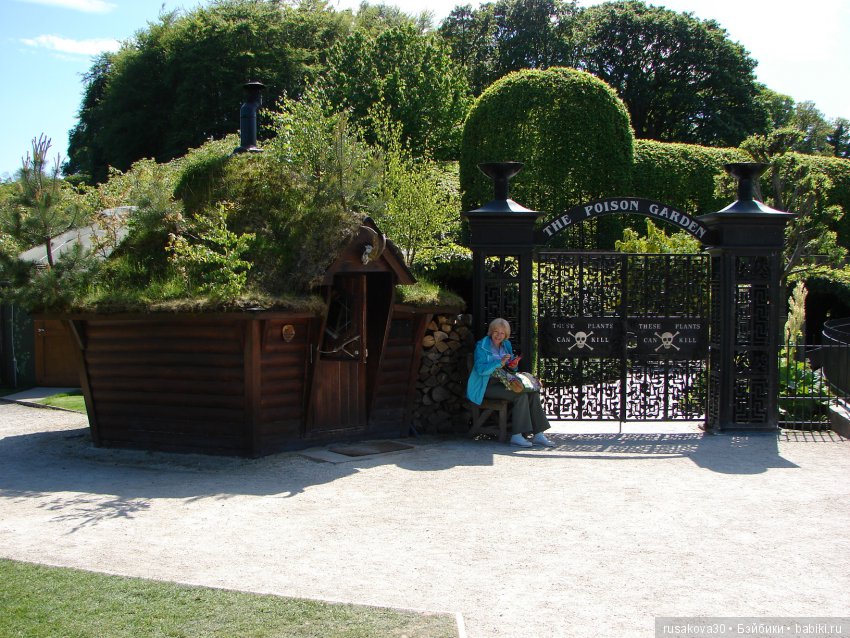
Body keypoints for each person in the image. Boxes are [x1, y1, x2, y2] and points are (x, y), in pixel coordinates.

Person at [466, 318, 555, 447]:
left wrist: (513, 365)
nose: (498, 335)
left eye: (502, 333)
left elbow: (511, 368)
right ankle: (517, 435)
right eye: (496, 331)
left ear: (506, 335)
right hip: (486, 385)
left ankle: (538, 434)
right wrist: (498, 363)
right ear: (491, 331)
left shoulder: (506, 345)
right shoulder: (482, 346)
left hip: (504, 382)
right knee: (519, 395)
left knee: (532, 392)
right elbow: (480, 370)